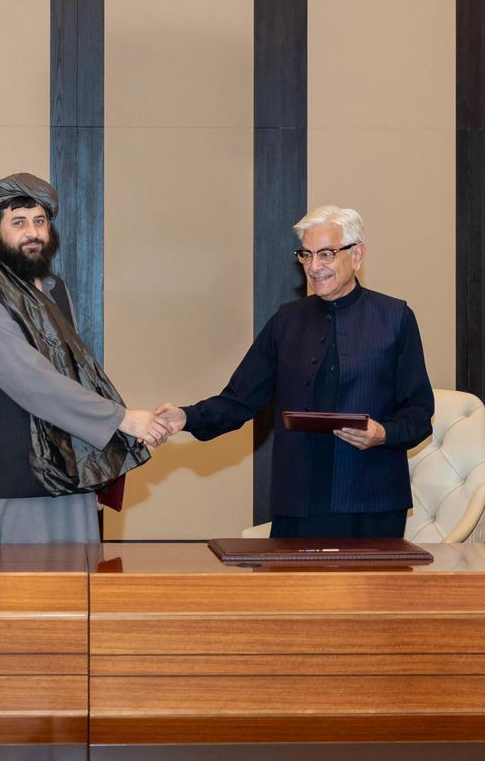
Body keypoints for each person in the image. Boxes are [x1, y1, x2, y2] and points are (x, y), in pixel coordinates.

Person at [155, 206, 433, 539]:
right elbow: (240, 399)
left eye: (326, 254)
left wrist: (383, 433)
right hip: (298, 500)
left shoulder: (395, 317)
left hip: (373, 501)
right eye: (306, 255)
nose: (314, 267)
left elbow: (419, 411)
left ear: (357, 254)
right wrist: (186, 417)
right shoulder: (286, 321)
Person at [0, 172, 166, 543]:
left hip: (72, 479)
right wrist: (122, 419)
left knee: (80, 580)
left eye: (40, 221)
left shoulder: (56, 290)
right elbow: (33, 381)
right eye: (19, 223)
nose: (32, 232)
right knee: (18, 583)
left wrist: (97, 470)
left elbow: (77, 376)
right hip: (16, 488)